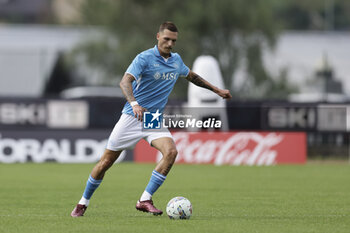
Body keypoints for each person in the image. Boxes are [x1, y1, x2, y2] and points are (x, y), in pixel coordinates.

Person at [71, 21, 232, 217]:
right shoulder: (144, 58)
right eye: (166, 39)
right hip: (132, 117)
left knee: (171, 152)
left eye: (173, 40)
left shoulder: (176, 60)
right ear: (158, 37)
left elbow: (192, 76)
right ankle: (82, 203)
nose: (170, 44)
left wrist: (217, 90)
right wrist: (133, 103)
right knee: (105, 162)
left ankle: (145, 199)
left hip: (153, 118)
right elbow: (125, 82)